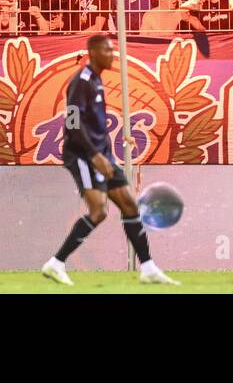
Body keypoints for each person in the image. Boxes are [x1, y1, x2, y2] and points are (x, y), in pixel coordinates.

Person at [41, 34, 178, 287]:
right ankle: (56, 263)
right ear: (92, 52)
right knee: (99, 211)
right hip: (83, 155)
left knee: (129, 204)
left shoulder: (97, 81)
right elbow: (72, 123)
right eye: (107, 50)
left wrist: (105, 155)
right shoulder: (81, 81)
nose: (112, 54)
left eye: (113, 50)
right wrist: (94, 156)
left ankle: (147, 267)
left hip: (103, 155)